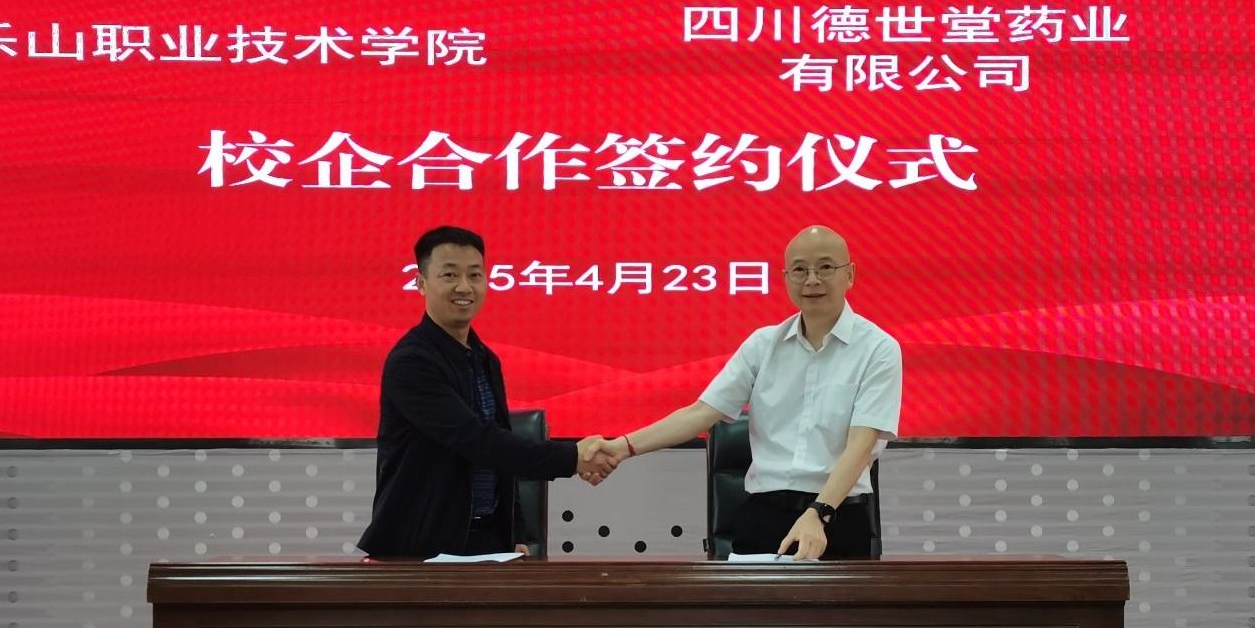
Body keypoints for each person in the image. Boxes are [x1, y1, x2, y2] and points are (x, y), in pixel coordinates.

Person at [593, 226, 900, 559]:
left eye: (825, 267)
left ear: (849, 274)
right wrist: (623, 447)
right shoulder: (762, 345)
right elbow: (701, 413)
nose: (812, 280)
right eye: (799, 270)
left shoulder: (878, 349)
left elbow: (861, 444)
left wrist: (819, 512)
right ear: (786, 278)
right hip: (764, 516)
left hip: (837, 516)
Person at [357, 226, 613, 559]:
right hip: (421, 546)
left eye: (475, 275)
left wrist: (515, 531)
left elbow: (500, 448)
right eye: (450, 275)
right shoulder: (412, 361)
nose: (465, 287)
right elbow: (478, 441)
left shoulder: (484, 359)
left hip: (488, 540)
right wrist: (573, 457)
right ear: (421, 283)